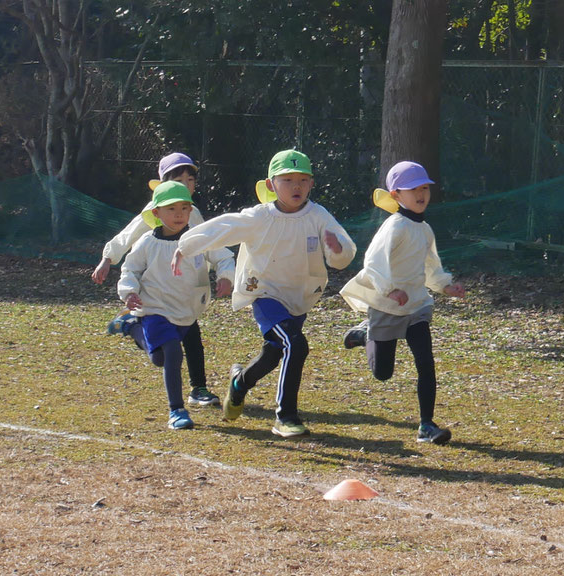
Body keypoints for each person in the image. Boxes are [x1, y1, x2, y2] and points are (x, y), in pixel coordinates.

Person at [174, 149, 352, 437]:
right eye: (287, 180)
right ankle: (286, 417)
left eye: (303, 180)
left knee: (274, 354)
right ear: (270, 185)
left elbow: (343, 255)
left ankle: (239, 383)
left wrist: (337, 248)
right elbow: (223, 227)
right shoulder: (260, 217)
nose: (296, 186)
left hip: (300, 298)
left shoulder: (319, 216)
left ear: (312, 184)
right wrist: (185, 246)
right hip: (265, 295)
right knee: (296, 345)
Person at [341, 160, 466, 444]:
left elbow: (430, 266)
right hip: (386, 306)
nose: (421, 194)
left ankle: (426, 426)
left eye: (424, 188)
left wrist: (446, 285)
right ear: (396, 195)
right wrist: (390, 290)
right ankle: (365, 332)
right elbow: (372, 263)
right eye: (413, 190)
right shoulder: (394, 227)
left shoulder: (425, 230)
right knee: (383, 373)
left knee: (426, 362)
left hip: (417, 307)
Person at [94, 152, 217, 405]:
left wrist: (219, 269)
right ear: (162, 185)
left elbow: (209, 243)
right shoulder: (155, 212)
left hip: (187, 290)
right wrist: (108, 258)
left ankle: (198, 388)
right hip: (159, 294)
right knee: (175, 346)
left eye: (190, 179)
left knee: (191, 337)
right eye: (178, 179)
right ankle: (133, 325)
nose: (185, 185)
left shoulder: (192, 212)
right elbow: (129, 235)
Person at [114, 181, 233, 430]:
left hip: (186, 311)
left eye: (184, 207)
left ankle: (130, 327)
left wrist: (225, 277)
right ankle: (176, 410)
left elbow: (223, 256)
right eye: (171, 209)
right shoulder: (147, 242)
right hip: (154, 308)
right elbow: (130, 269)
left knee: (160, 359)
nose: (179, 214)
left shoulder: (199, 239)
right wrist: (129, 292)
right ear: (156, 213)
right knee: (173, 352)